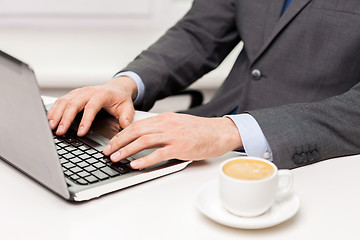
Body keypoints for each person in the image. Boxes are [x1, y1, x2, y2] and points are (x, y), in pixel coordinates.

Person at [47, 0, 360, 170]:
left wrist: (230, 131)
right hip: (206, 134)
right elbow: (200, 33)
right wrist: (126, 85)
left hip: (313, 161)